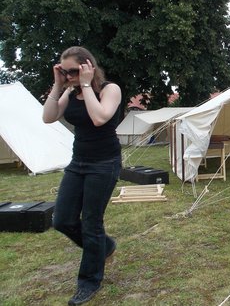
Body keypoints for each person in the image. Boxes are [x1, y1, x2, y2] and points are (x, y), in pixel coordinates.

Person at [42, 46, 122, 305]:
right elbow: (48, 117)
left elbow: (100, 118)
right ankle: (105, 247)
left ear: (88, 66)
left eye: (72, 71)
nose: (69, 76)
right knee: (62, 219)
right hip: (78, 163)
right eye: (64, 71)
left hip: (104, 163)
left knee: (91, 222)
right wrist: (58, 85)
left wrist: (86, 86)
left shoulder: (110, 89)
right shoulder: (68, 91)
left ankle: (89, 282)